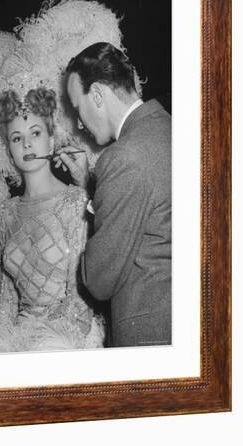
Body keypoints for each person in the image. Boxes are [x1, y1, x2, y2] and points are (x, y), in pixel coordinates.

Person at [0, 87, 105, 354]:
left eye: (35, 133)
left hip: (67, 341)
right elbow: (4, 302)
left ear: (50, 142)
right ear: (10, 150)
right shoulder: (6, 213)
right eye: (17, 138)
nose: (26, 144)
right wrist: (2, 343)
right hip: (17, 337)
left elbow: (79, 302)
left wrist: (34, 342)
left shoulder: (75, 202)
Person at [56, 42, 171, 348]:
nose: (79, 123)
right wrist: (87, 182)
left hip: (150, 340)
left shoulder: (122, 158)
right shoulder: (169, 130)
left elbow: (99, 280)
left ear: (97, 95)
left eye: (78, 108)